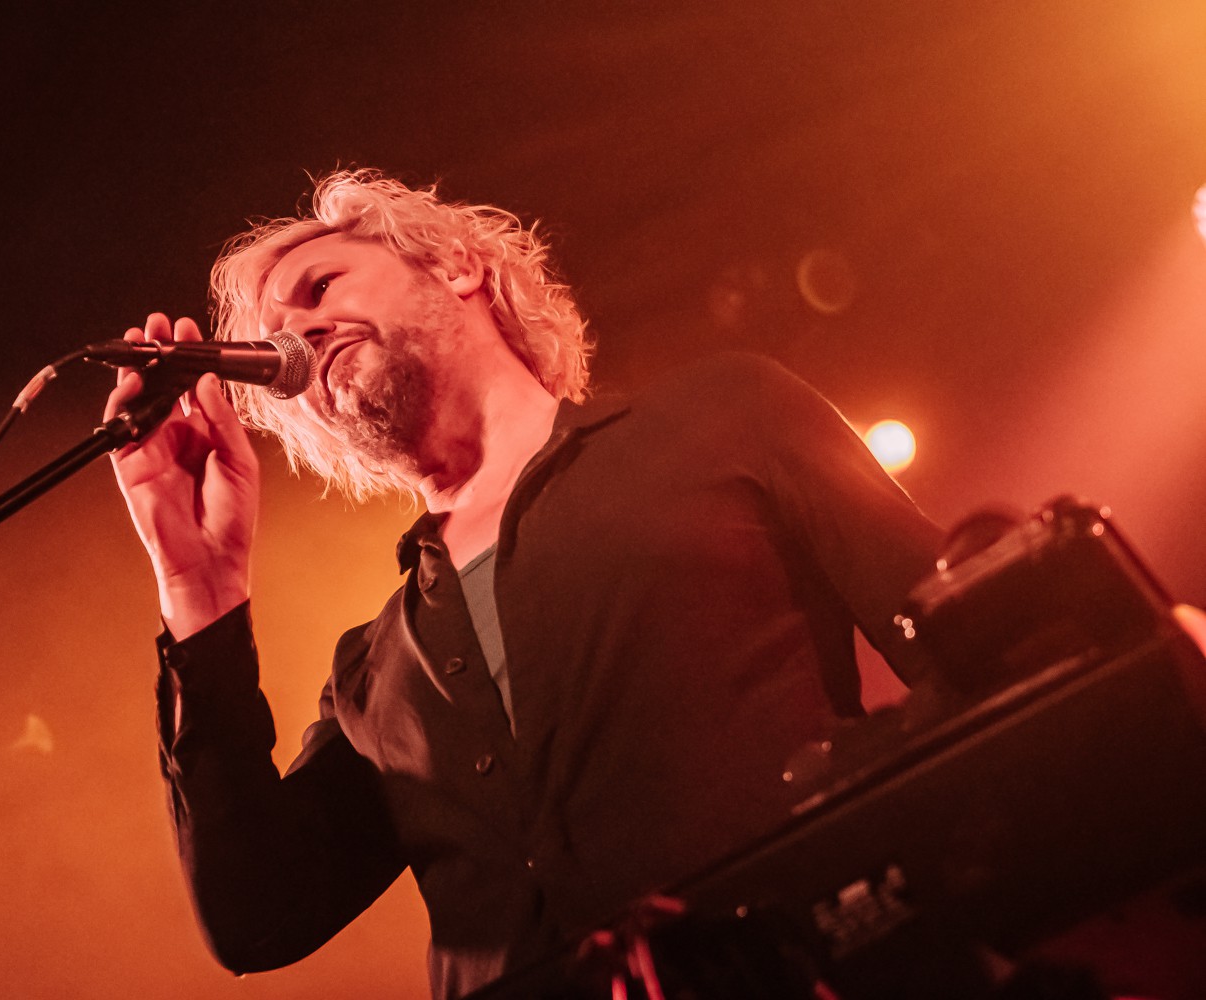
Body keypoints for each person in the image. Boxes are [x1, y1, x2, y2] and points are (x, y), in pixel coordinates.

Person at [104, 169, 945, 999]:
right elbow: (258, 918)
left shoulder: (726, 417)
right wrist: (199, 592)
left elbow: (971, 639)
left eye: (321, 287)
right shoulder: (372, 671)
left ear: (455, 266)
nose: (297, 335)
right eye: (276, 337)